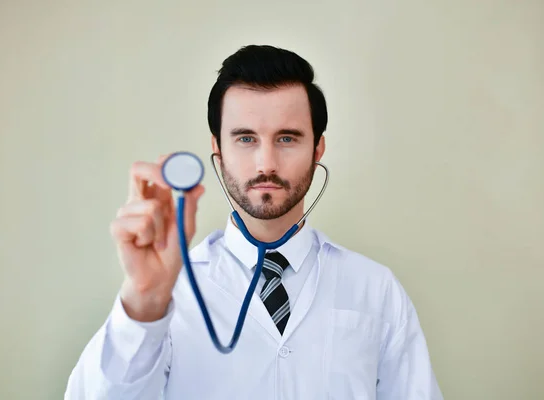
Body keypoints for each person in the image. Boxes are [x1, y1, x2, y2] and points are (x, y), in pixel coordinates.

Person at [64, 44, 443, 399]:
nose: (266, 163)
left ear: (318, 148)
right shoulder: (165, 294)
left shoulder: (375, 290)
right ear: (218, 148)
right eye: (245, 138)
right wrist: (143, 301)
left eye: (287, 138)